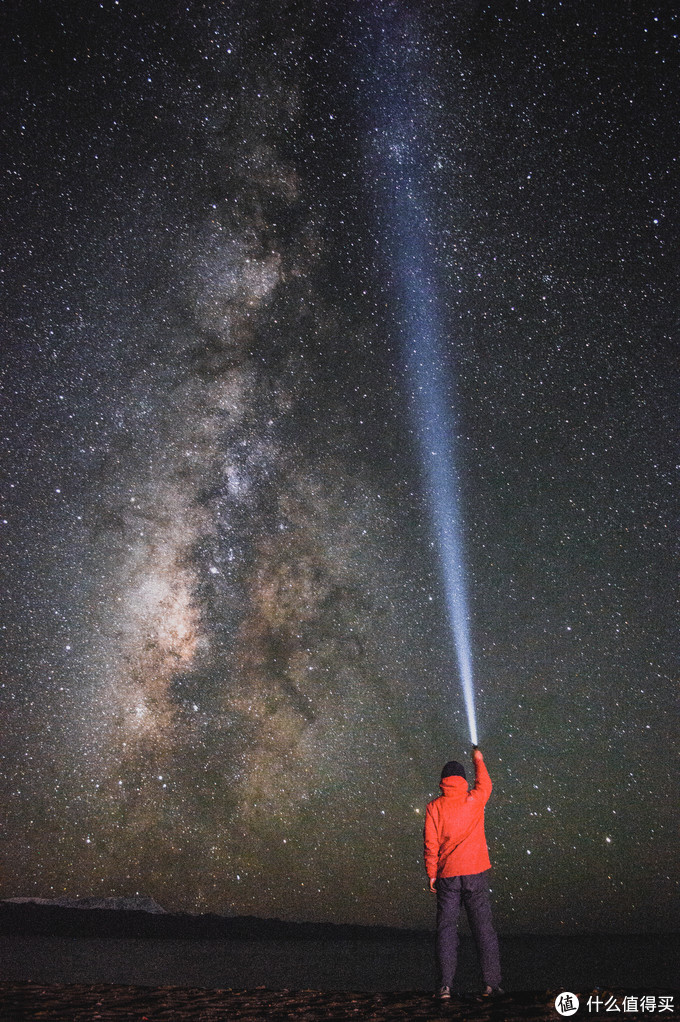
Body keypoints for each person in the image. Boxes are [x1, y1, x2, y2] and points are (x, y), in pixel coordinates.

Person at [423, 746, 502, 1000]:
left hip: (447, 875)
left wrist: (432, 873)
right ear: (462, 779)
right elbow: (486, 783)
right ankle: (491, 984)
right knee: (483, 928)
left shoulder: (434, 807)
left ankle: (445, 987)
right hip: (475, 872)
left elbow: (431, 844)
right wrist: (478, 759)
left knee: (446, 930)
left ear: (443, 781)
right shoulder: (474, 799)